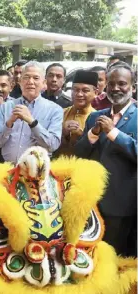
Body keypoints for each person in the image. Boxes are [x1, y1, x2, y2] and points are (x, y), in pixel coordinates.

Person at [75, 62, 137, 257]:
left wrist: (113, 133)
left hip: (123, 204)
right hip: (93, 202)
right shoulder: (96, 117)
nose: (116, 88)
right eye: (111, 84)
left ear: (133, 87)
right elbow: (79, 155)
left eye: (122, 83)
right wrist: (93, 134)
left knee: (116, 259)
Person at [0, 61, 63, 163]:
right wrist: (9, 124)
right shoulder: (5, 107)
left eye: (36, 78)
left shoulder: (54, 110)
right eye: (26, 77)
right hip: (8, 169)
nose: (30, 81)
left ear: (44, 83)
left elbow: (53, 145)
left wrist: (32, 122)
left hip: (37, 172)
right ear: (19, 82)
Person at [55, 70, 97, 157]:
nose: (79, 94)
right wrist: (63, 133)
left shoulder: (97, 118)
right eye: (75, 90)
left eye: (85, 90)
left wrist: (82, 136)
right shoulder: (60, 113)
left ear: (95, 93)